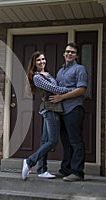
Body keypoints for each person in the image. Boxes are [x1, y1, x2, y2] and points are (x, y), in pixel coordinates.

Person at [22, 51, 73, 180]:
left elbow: (56, 87)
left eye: (43, 59)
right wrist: (72, 90)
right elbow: (54, 89)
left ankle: (42, 170)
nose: (42, 62)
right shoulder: (37, 77)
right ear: (34, 63)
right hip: (50, 109)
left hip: (54, 109)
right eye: (38, 60)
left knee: (45, 140)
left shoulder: (47, 74)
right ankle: (30, 161)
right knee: (53, 141)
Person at [49, 42, 88, 182]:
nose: (69, 54)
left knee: (75, 141)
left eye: (72, 52)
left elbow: (82, 89)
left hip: (74, 109)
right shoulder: (60, 71)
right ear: (64, 54)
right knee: (65, 142)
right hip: (61, 111)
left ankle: (77, 172)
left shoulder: (80, 69)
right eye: (67, 51)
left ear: (76, 55)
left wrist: (62, 97)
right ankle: (66, 169)